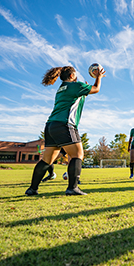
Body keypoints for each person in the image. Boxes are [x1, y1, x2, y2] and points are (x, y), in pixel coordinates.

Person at [25, 65, 105, 196]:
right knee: (77, 155)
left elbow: (75, 99)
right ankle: (72, 188)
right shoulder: (76, 86)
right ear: (72, 76)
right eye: (75, 75)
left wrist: (83, 89)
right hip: (65, 124)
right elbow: (96, 89)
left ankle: (32, 189)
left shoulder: (61, 89)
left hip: (51, 125)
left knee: (46, 160)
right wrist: (98, 77)